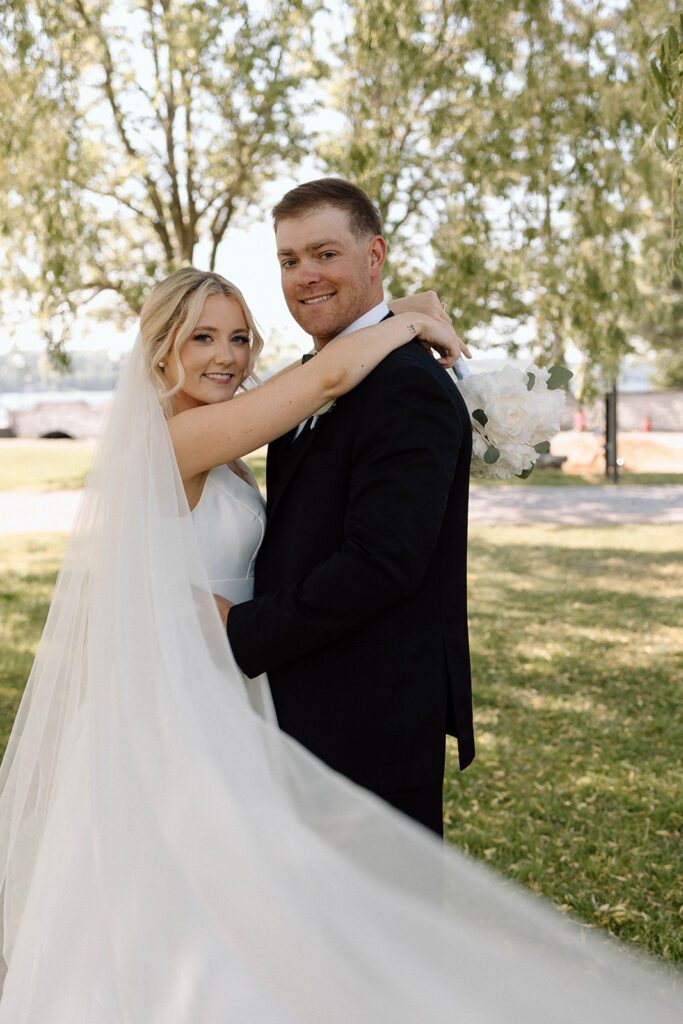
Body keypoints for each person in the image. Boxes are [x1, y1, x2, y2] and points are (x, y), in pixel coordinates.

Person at [0, 267, 678, 1022]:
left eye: (238, 337)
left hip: (228, 681)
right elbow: (328, 378)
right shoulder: (182, 437)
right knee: (196, 899)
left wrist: (413, 313)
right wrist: (407, 326)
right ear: (159, 350)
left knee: (244, 900)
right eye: (201, 338)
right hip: (176, 698)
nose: (226, 356)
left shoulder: (210, 435)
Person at [225, 179, 473, 836]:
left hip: (370, 718)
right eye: (287, 260)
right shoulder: (318, 376)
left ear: (374, 256)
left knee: (382, 932)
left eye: (323, 254)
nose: (304, 276)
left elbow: (381, 562)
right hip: (307, 706)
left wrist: (241, 629)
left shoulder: (407, 385)